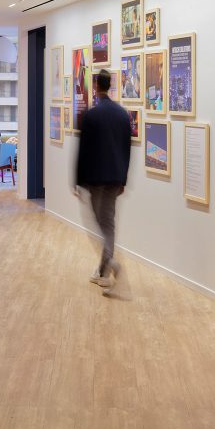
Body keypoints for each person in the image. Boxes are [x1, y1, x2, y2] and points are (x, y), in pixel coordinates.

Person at [74, 69, 132, 294]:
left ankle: (110, 267)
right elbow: (127, 150)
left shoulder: (90, 115)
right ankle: (102, 270)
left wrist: (77, 181)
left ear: (96, 86)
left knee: (101, 224)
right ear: (111, 85)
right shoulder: (121, 114)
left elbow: (83, 151)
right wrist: (123, 179)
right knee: (107, 222)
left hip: (95, 178)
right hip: (115, 177)